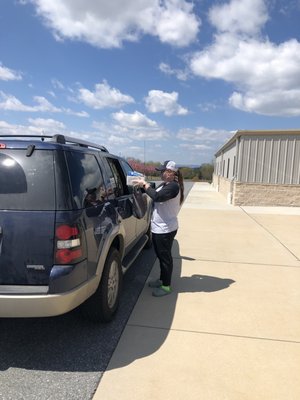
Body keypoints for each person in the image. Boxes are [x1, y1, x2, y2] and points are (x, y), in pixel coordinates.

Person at [133, 160, 184, 297]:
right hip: (159, 228)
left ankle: (166, 286)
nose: (160, 173)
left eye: (162, 171)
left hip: (165, 229)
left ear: (170, 173)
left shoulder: (173, 187)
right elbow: (154, 192)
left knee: (165, 258)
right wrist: (143, 186)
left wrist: (145, 185)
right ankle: (162, 280)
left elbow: (157, 196)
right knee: (161, 256)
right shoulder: (167, 184)